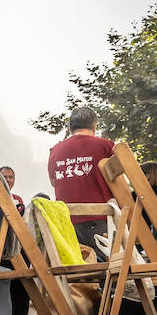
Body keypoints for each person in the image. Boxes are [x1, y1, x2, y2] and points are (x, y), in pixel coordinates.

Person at [46, 105, 115, 256]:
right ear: (95, 126)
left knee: (79, 273)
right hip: (99, 221)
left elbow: (53, 181)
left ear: (70, 127)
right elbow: (120, 179)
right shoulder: (105, 145)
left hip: (67, 223)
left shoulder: (55, 151)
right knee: (107, 270)